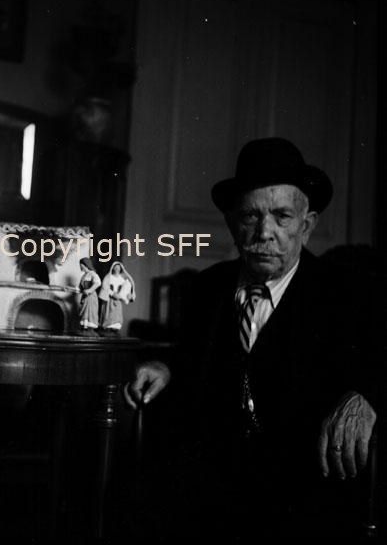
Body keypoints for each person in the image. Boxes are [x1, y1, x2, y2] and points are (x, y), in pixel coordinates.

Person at [124, 138, 382, 541]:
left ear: (306, 225)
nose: (265, 233)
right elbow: (190, 358)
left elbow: (376, 361)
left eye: (282, 216)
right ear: (231, 223)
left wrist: (364, 396)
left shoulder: (344, 292)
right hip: (215, 490)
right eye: (250, 216)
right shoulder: (207, 288)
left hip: (302, 495)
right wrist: (166, 366)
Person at [98, 261, 136, 330]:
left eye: (118, 268)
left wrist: (128, 295)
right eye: (115, 267)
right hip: (109, 299)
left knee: (117, 314)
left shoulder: (122, 279)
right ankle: (107, 328)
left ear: (121, 269)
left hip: (118, 299)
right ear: (112, 268)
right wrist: (112, 293)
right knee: (108, 312)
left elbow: (126, 289)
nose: (117, 269)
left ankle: (114, 328)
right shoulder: (109, 277)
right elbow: (105, 287)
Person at [78, 257, 101, 330]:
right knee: (84, 311)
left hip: (91, 297)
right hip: (84, 297)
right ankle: (84, 327)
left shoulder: (92, 274)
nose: (81, 267)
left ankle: (89, 327)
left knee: (90, 311)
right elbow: (80, 288)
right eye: (80, 266)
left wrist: (89, 290)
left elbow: (98, 283)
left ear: (86, 265)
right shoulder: (83, 276)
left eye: (82, 266)